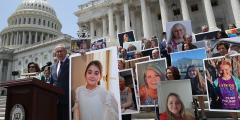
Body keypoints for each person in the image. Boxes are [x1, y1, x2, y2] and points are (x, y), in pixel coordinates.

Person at [50, 44, 69, 120]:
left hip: (67, 99)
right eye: (57, 52)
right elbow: (52, 82)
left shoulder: (71, 62)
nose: (59, 53)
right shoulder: (53, 66)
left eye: (61, 51)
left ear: (66, 52)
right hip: (55, 100)